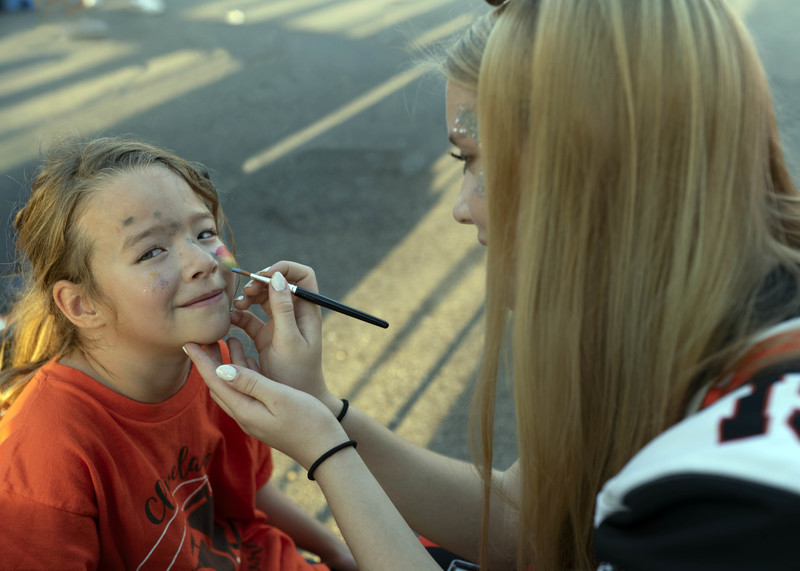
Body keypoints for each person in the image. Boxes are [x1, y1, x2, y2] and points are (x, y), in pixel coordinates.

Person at [185, 0, 800, 569]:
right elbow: (525, 523)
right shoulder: (682, 328)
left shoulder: (736, 493)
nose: (461, 206)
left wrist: (325, 452)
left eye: (474, 159)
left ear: (595, 170)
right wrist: (322, 409)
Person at [0, 137, 356, 570]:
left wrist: (338, 551)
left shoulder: (220, 362)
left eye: (205, 232)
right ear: (81, 305)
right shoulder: (41, 463)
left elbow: (248, 495)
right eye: (151, 250)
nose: (204, 261)